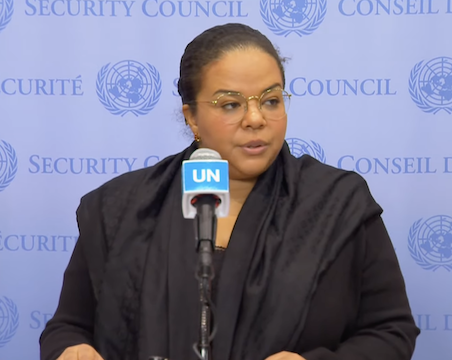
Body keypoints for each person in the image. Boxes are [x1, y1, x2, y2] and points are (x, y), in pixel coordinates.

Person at [39, 23, 420, 360]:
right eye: (231, 104)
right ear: (191, 117)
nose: (256, 119)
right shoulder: (119, 208)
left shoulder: (338, 203)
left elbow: (392, 332)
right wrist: (72, 351)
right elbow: (67, 327)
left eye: (271, 100)